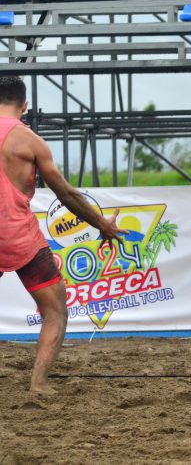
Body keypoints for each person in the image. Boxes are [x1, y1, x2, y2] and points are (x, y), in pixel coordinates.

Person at [0, 75, 126, 392]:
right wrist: (104, 225)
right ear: (24, 106)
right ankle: (38, 384)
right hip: (17, 237)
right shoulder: (30, 142)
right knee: (55, 311)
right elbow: (67, 196)